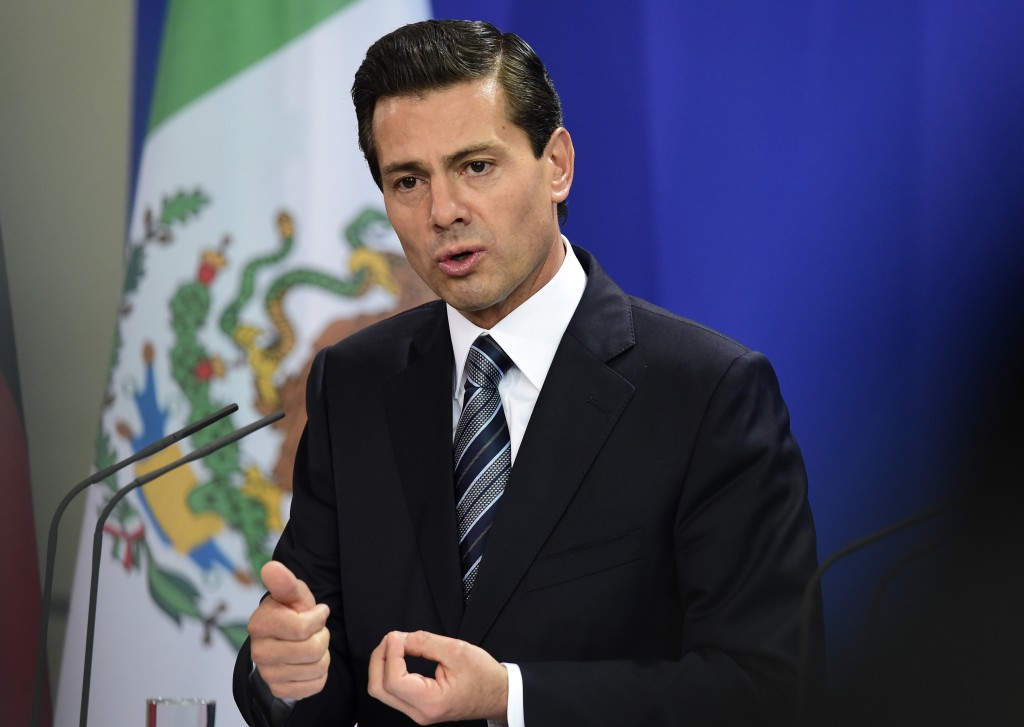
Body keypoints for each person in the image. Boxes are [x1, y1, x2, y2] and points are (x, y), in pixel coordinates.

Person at [233, 19, 820, 727]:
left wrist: (510, 696)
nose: (443, 211)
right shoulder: (353, 383)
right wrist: (290, 670)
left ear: (557, 165)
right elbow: (307, 661)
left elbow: (765, 690)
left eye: (475, 166)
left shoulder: (707, 394)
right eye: (408, 180)